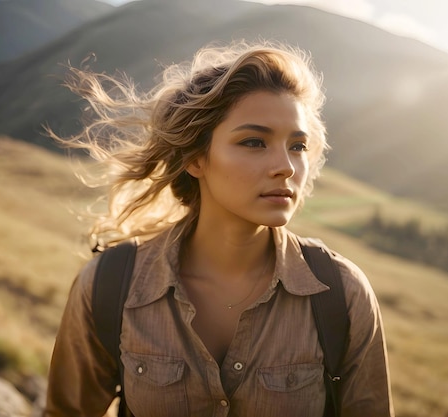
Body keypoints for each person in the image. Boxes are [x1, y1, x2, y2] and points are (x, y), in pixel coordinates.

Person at [44, 39, 394, 417]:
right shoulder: (109, 286)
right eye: (254, 142)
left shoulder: (342, 293)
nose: (287, 167)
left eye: (297, 146)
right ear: (196, 158)